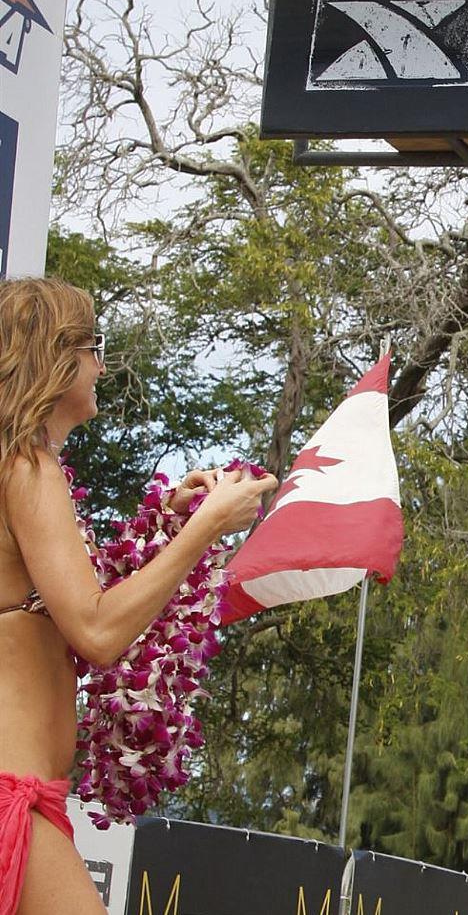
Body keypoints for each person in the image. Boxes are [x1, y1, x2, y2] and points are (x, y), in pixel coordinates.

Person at [0, 277, 278, 914]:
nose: (102, 364)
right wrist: (209, 525)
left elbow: (69, 589)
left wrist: (171, 517)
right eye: (92, 346)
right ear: (53, 355)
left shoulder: (15, 467)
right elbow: (96, 631)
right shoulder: (29, 467)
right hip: (12, 795)